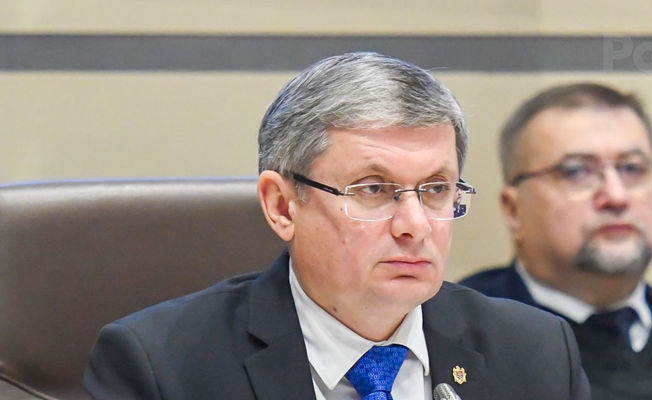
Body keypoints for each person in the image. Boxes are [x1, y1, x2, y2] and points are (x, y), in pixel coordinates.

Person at [83, 52, 590, 400]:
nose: (415, 225)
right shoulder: (161, 368)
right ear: (282, 206)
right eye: (373, 190)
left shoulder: (534, 352)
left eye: (436, 189)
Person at [460, 82, 652, 400]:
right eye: (576, 172)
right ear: (514, 210)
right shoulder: (454, 337)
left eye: (632, 168)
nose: (616, 196)